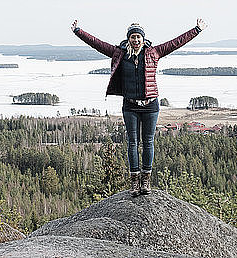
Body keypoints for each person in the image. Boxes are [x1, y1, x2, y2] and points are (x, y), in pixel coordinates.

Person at [71, 19, 207, 196]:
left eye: (138, 37)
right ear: (128, 39)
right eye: (132, 37)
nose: (135, 40)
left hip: (150, 105)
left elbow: (176, 43)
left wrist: (196, 30)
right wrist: (78, 31)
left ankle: (145, 180)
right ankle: (135, 181)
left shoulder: (154, 52)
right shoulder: (119, 53)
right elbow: (97, 43)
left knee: (148, 142)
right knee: (132, 143)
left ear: (143, 38)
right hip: (130, 105)